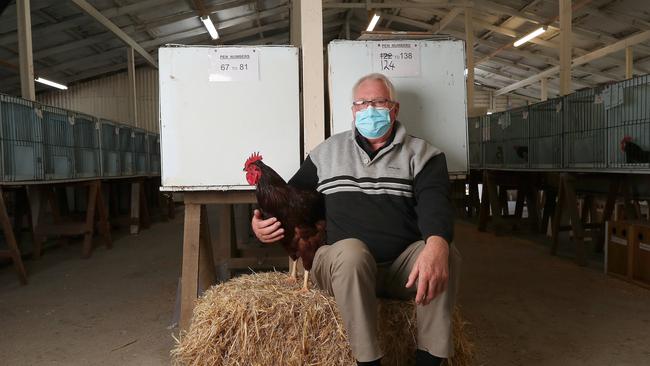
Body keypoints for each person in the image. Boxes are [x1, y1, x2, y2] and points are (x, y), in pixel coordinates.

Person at [251, 73, 461, 366]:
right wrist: (259, 223)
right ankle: (368, 361)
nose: (370, 109)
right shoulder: (327, 153)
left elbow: (435, 204)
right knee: (353, 252)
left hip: (401, 269)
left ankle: (429, 359)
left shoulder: (424, 154)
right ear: (353, 111)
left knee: (445, 252)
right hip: (341, 268)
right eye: (362, 103)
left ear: (394, 109)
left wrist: (437, 244)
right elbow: (289, 199)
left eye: (378, 102)